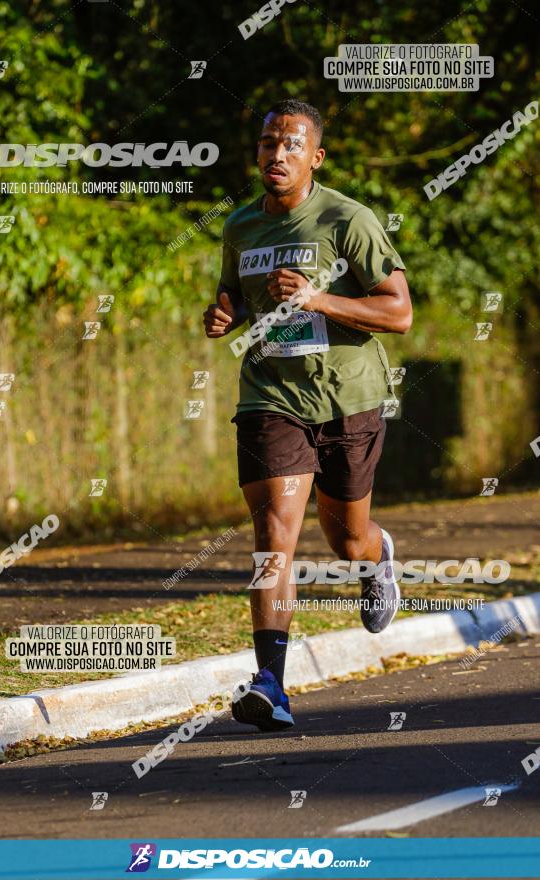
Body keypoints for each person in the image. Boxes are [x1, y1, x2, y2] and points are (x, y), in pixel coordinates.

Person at [203, 99, 412, 732]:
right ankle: (271, 681)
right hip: (270, 396)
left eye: (293, 145)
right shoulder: (240, 226)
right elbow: (234, 292)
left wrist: (320, 297)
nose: (278, 155)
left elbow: (398, 313)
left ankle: (376, 560)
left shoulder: (349, 220)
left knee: (346, 537)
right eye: (269, 143)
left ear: (315, 157)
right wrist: (223, 314)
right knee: (276, 532)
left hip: (347, 397)